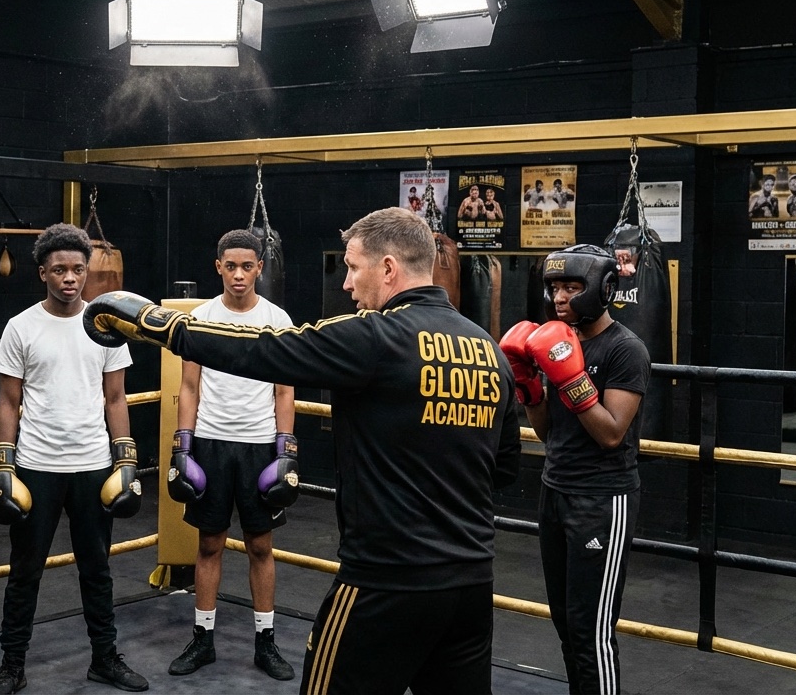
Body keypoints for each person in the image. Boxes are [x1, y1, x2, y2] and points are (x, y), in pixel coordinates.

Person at [82, 207, 522, 694]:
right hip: (472, 586)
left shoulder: (376, 336)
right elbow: (503, 470)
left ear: (389, 268)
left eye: (354, 268)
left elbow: (266, 350)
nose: (349, 284)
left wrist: (158, 325)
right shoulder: (487, 349)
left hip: (385, 581)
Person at [0, 223, 147, 694]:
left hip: (93, 465)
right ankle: (12, 665)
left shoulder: (107, 325)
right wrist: (2, 466)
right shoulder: (21, 327)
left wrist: (126, 461)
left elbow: (116, 399)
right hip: (36, 466)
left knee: (97, 569)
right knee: (25, 572)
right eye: (60, 270)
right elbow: (9, 402)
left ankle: (104, 658)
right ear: (43, 273)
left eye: (78, 268)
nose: (70, 278)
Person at [499, 245, 651, 695]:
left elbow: (610, 435)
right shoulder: (559, 343)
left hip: (603, 499)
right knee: (567, 624)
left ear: (601, 289)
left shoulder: (626, 349)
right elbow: (549, 432)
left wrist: (571, 378)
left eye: (571, 287)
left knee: (593, 632)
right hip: (556, 490)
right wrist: (530, 386)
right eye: (554, 287)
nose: (560, 297)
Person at [167, 229, 297, 682]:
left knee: (261, 545)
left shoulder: (276, 318)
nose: (239, 275)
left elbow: (285, 389)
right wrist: (182, 444)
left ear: (260, 267)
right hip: (210, 441)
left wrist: (286, 449)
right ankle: (203, 639)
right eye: (231, 266)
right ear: (218, 266)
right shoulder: (200, 317)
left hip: (260, 444)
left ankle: (266, 642)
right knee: (209, 543)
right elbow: (189, 384)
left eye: (248, 266)